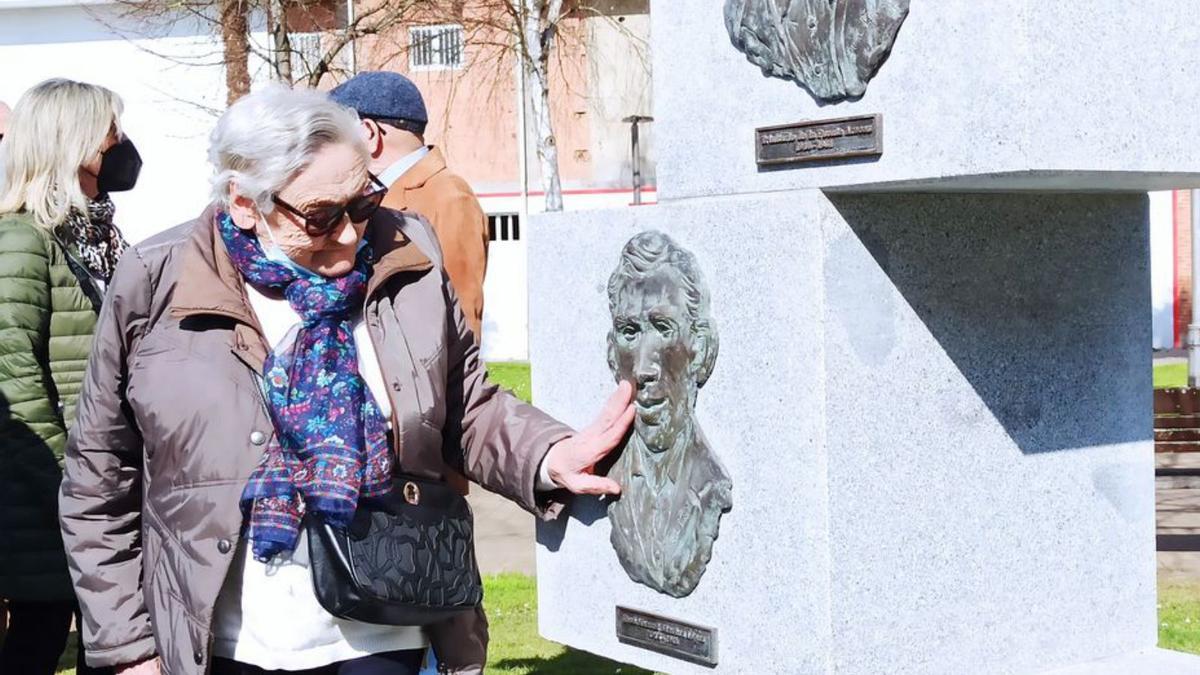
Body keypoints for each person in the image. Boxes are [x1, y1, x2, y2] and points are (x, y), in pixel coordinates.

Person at [59, 85, 633, 675]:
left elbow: (466, 405)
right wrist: (129, 649)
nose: (351, 234)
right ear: (244, 204)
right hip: (223, 640)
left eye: (362, 204)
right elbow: (99, 479)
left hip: (384, 625)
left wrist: (549, 453)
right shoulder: (157, 280)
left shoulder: (406, 250)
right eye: (321, 217)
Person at [0, 78, 138, 675]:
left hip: (90, 484)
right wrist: (75, 487)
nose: (122, 144)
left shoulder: (85, 238)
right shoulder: (20, 240)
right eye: (111, 129)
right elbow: (15, 382)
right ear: (76, 140)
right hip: (53, 495)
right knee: (40, 636)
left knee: (99, 639)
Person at [604, 231, 733, 598]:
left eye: (663, 329)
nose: (644, 368)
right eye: (629, 333)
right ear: (612, 355)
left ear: (701, 350)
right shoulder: (610, 478)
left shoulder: (711, 484)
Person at [329, 72, 490, 343]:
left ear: (368, 133)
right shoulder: (373, 192)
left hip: (417, 378)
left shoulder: (449, 197)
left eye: (336, 135)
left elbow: (462, 317)